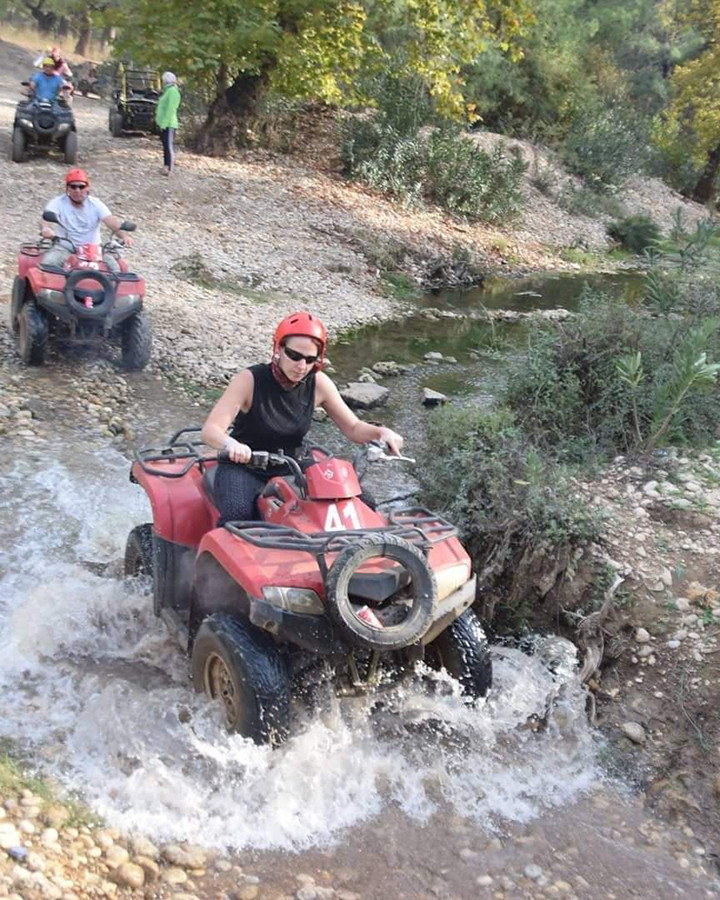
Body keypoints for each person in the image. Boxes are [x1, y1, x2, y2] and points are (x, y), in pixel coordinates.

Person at [201, 311, 404, 523]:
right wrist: (232, 444)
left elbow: (353, 427)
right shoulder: (250, 380)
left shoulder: (318, 383)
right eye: (294, 356)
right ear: (279, 349)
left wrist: (382, 433)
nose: (301, 366)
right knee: (238, 514)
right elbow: (210, 430)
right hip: (246, 467)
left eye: (310, 359)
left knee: (364, 502)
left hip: (296, 466)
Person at [40, 168, 134, 274]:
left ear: (87, 188)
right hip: (65, 247)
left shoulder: (96, 204)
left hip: (93, 250)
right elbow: (46, 218)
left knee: (116, 270)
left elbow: (112, 223)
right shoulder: (58, 202)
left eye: (81, 186)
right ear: (67, 188)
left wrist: (124, 236)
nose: (77, 190)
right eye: (73, 186)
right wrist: (46, 229)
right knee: (48, 264)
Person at [155, 71, 181, 176]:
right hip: (164, 123)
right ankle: (165, 166)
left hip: (169, 124)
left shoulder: (173, 91)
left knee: (169, 146)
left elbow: (171, 109)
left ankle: (170, 169)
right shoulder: (167, 91)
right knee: (165, 146)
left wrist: (164, 123)